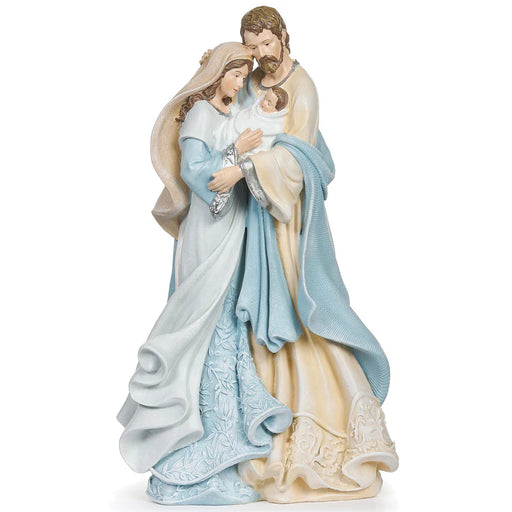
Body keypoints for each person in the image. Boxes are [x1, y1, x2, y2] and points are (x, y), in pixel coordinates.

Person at [208, 7, 399, 503]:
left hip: (284, 220)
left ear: (283, 37)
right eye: (251, 47)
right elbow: (231, 124)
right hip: (248, 218)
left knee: (295, 305)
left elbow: (298, 156)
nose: (260, 55)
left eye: (266, 44)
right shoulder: (251, 81)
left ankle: (318, 427)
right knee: (246, 313)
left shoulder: (304, 88)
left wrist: (246, 169)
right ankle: (249, 428)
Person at [117, 42, 293, 506]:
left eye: (245, 75)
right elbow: (200, 175)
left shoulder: (232, 112)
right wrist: (238, 153)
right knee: (203, 327)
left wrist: (252, 157)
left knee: (226, 329)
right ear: (218, 73)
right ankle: (191, 456)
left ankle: (224, 450)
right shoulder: (199, 115)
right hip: (207, 230)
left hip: (232, 226)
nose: (241, 83)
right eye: (236, 74)